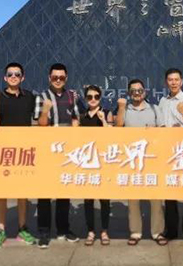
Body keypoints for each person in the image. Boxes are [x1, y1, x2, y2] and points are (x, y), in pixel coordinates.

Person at [0, 62, 37, 250]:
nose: (14, 77)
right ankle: (1, 230)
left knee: (22, 193)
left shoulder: (30, 97)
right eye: (10, 74)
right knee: (1, 194)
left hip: (24, 152)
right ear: (5, 77)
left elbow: (37, 122)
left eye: (17, 74)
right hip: (5, 152)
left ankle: (22, 228)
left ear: (23, 77)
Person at [115, 79, 167, 246]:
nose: (137, 94)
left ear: (145, 92)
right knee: (133, 199)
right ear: (129, 93)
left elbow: (163, 132)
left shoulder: (155, 109)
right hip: (132, 160)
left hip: (152, 159)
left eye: (140, 90)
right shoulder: (125, 109)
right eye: (133, 91)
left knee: (156, 198)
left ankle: (157, 232)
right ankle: (135, 232)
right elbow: (118, 127)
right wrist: (121, 108)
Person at [35, 63, 80, 249]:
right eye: (55, 77)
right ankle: (44, 231)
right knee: (44, 193)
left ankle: (63, 228)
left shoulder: (71, 96)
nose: (58, 80)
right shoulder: (42, 97)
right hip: (47, 150)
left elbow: (75, 118)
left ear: (66, 78)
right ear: (49, 78)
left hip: (66, 151)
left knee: (64, 191)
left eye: (61, 77)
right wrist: (45, 110)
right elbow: (39, 124)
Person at [158, 68, 183, 245]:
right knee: (169, 192)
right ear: (166, 82)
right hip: (167, 150)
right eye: (170, 80)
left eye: (176, 80)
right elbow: (160, 125)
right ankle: (171, 230)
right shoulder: (163, 101)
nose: (173, 83)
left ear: (182, 82)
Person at [79, 85, 111, 246]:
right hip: (87, 161)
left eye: (96, 96)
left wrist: (103, 120)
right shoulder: (82, 116)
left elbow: (111, 135)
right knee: (88, 199)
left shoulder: (106, 112)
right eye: (90, 97)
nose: (93, 99)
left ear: (100, 97)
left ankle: (104, 231)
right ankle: (90, 231)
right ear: (85, 98)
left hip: (103, 160)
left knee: (104, 199)